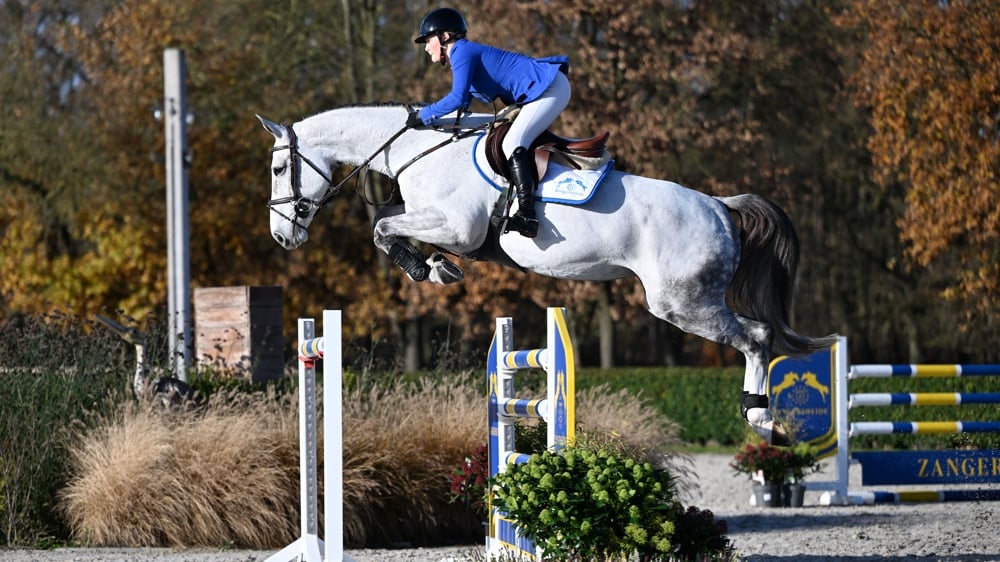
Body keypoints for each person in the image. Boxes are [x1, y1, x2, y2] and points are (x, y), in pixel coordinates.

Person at [409, 7, 571, 238]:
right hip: (544, 90)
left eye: (428, 40)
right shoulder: (462, 55)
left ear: (444, 37)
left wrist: (421, 116)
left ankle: (527, 215)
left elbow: (457, 98)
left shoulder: (461, 52)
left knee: (512, 142)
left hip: (550, 89)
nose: (426, 47)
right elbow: (464, 103)